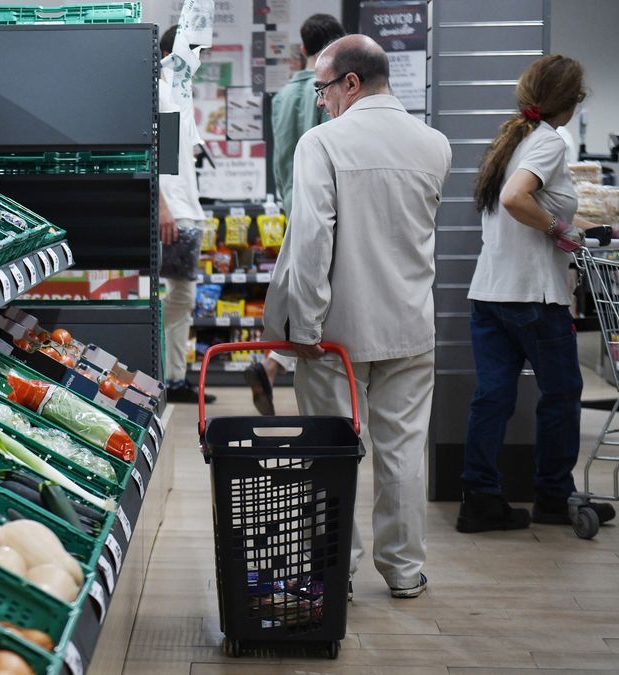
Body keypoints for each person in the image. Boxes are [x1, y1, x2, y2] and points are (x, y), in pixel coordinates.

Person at [262, 35, 451, 599]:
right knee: (404, 453)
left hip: (335, 333)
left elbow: (312, 241)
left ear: (350, 82)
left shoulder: (322, 143)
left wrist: (305, 327)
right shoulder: (434, 144)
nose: (320, 101)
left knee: (330, 451)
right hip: (410, 325)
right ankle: (404, 571)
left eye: (322, 89)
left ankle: (333, 568)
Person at [458, 54, 616, 533]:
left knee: (492, 398)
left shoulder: (511, 140)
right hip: (534, 297)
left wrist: (588, 229)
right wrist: (557, 230)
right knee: (562, 393)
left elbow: (529, 205)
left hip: (490, 293)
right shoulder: (548, 141)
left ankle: (479, 499)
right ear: (570, 102)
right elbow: (516, 200)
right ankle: (552, 495)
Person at [245, 13, 345, 416]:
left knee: (297, 288)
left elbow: (279, 161)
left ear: (302, 48)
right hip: (328, 208)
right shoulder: (332, 91)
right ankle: (287, 368)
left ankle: (271, 366)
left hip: (293, 204)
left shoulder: (284, 94)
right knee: (323, 300)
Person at [158, 25, 214, 404]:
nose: (199, 61)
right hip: (174, 211)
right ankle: (162, 371)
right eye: (195, 53)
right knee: (179, 296)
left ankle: (174, 378)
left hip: (186, 209)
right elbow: (156, 156)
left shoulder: (178, 94)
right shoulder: (161, 93)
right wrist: (162, 205)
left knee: (182, 297)